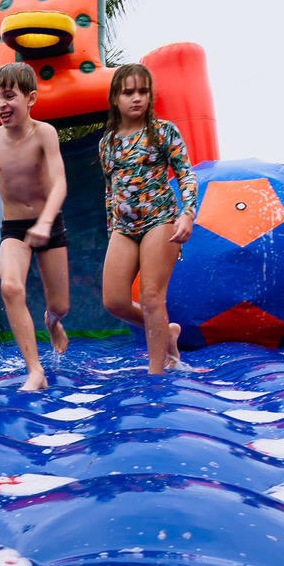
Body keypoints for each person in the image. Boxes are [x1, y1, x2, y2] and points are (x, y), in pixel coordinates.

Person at [0, 62, 69, 391]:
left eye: (9, 96)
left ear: (31, 98)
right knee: (10, 288)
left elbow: (59, 183)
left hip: (49, 224)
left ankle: (52, 321)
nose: (1, 105)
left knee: (60, 305)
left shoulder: (45, 133)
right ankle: (35, 371)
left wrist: (46, 222)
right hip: (14, 228)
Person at [99, 63, 196, 374]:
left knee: (151, 296)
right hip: (123, 228)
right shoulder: (107, 143)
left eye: (143, 91)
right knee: (114, 301)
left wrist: (187, 214)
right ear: (115, 98)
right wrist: (113, 230)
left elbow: (185, 175)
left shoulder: (163, 131)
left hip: (160, 220)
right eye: (128, 92)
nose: (137, 98)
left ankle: (158, 371)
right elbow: (110, 190)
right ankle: (167, 332)